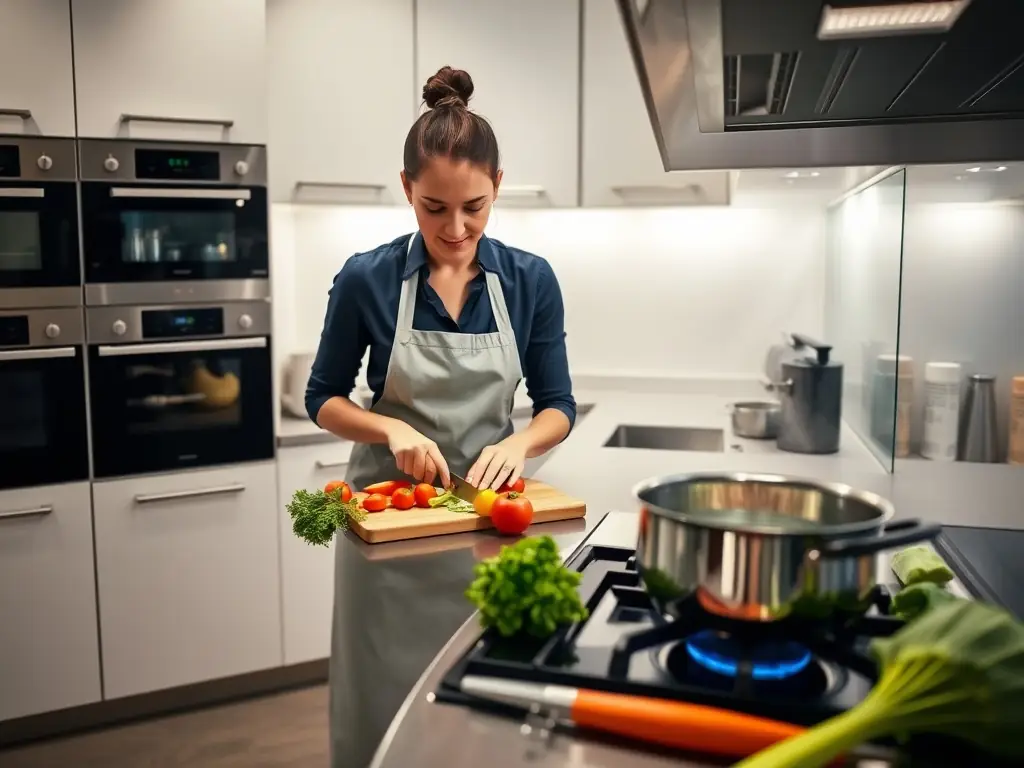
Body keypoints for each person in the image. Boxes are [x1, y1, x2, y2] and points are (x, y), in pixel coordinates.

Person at [304, 65, 577, 768]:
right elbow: (323, 397)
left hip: (488, 523)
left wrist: (521, 445)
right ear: (406, 191)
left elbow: (558, 407)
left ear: (498, 186)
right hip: (390, 531)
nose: (455, 229)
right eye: (433, 209)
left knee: (481, 715)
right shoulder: (367, 277)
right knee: (381, 705)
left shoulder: (530, 280)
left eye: (475, 207)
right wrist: (390, 427)